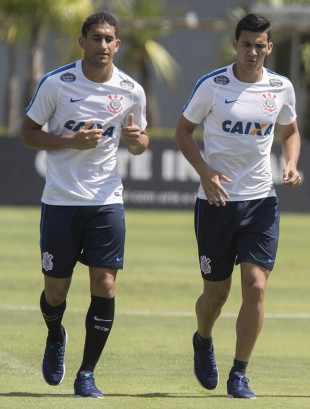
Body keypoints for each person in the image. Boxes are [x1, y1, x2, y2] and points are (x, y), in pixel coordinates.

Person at [20, 12, 148, 399]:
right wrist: (69, 142)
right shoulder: (57, 83)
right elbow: (27, 134)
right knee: (56, 292)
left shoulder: (131, 90)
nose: (103, 45)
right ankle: (56, 334)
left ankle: (87, 374)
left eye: (109, 39)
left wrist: (134, 140)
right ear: (83, 42)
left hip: (106, 200)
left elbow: (142, 143)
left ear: (118, 44)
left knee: (105, 285)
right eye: (96, 38)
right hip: (60, 201)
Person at [174, 13, 301, 399]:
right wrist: (205, 172)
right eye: (246, 44)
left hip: (261, 201)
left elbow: (290, 130)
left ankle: (239, 373)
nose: (252, 52)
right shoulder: (212, 86)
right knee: (215, 295)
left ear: (269, 47)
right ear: (235, 44)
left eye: (259, 46)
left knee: (256, 287)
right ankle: (203, 338)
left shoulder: (281, 87)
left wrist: (291, 163)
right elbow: (183, 131)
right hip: (216, 202)